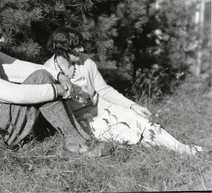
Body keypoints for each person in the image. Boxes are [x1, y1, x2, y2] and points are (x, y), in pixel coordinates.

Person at [0, 10, 101, 157]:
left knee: (41, 76)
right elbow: (15, 94)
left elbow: (22, 67)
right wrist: (57, 90)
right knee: (42, 83)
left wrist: (59, 75)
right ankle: (78, 143)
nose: (3, 40)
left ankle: (78, 139)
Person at [44, 27, 203, 156]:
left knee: (139, 119)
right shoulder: (48, 71)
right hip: (82, 120)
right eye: (76, 46)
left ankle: (182, 148)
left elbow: (104, 90)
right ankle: (168, 148)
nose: (82, 48)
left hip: (101, 107)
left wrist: (132, 106)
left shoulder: (86, 61)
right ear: (64, 49)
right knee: (121, 132)